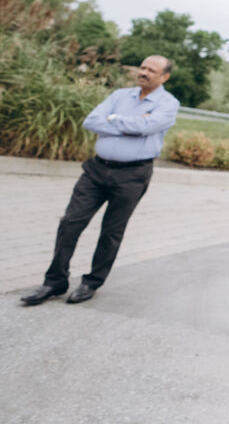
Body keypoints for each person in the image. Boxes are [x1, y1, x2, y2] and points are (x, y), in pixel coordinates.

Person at [20, 56, 179, 306]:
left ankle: (92, 282)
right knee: (70, 223)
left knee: (111, 231)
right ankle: (55, 281)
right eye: (143, 67)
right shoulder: (119, 95)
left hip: (132, 176)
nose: (144, 72)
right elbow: (91, 121)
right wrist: (129, 125)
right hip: (96, 171)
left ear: (165, 77)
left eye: (152, 70)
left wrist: (113, 120)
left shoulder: (168, 103)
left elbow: (147, 127)